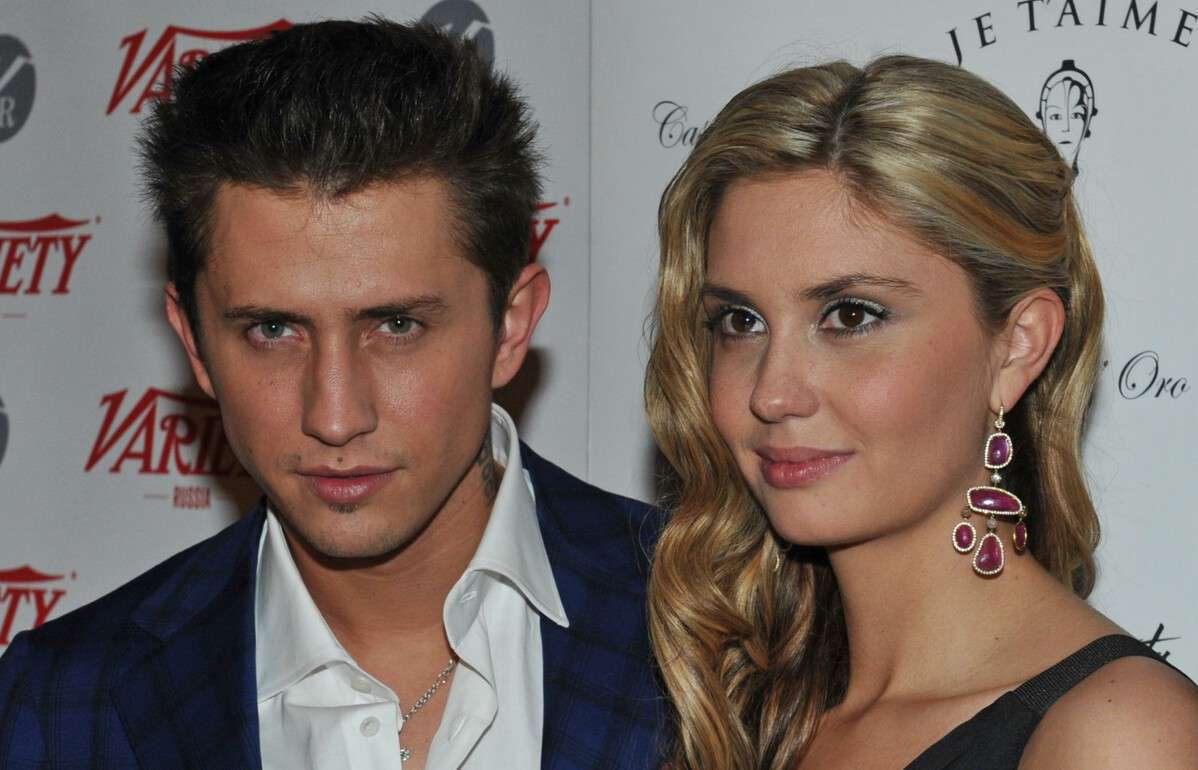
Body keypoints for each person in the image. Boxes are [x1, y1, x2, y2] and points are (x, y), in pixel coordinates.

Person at [0, 19, 664, 770]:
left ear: (509, 327)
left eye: (397, 325)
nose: (336, 417)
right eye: (272, 330)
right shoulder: (62, 703)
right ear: (194, 342)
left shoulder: (727, 620)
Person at [645, 55, 1198, 769]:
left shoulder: (1118, 736)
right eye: (740, 321)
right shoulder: (744, 707)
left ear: (1017, 346)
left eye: (851, 315)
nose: (772, 393)